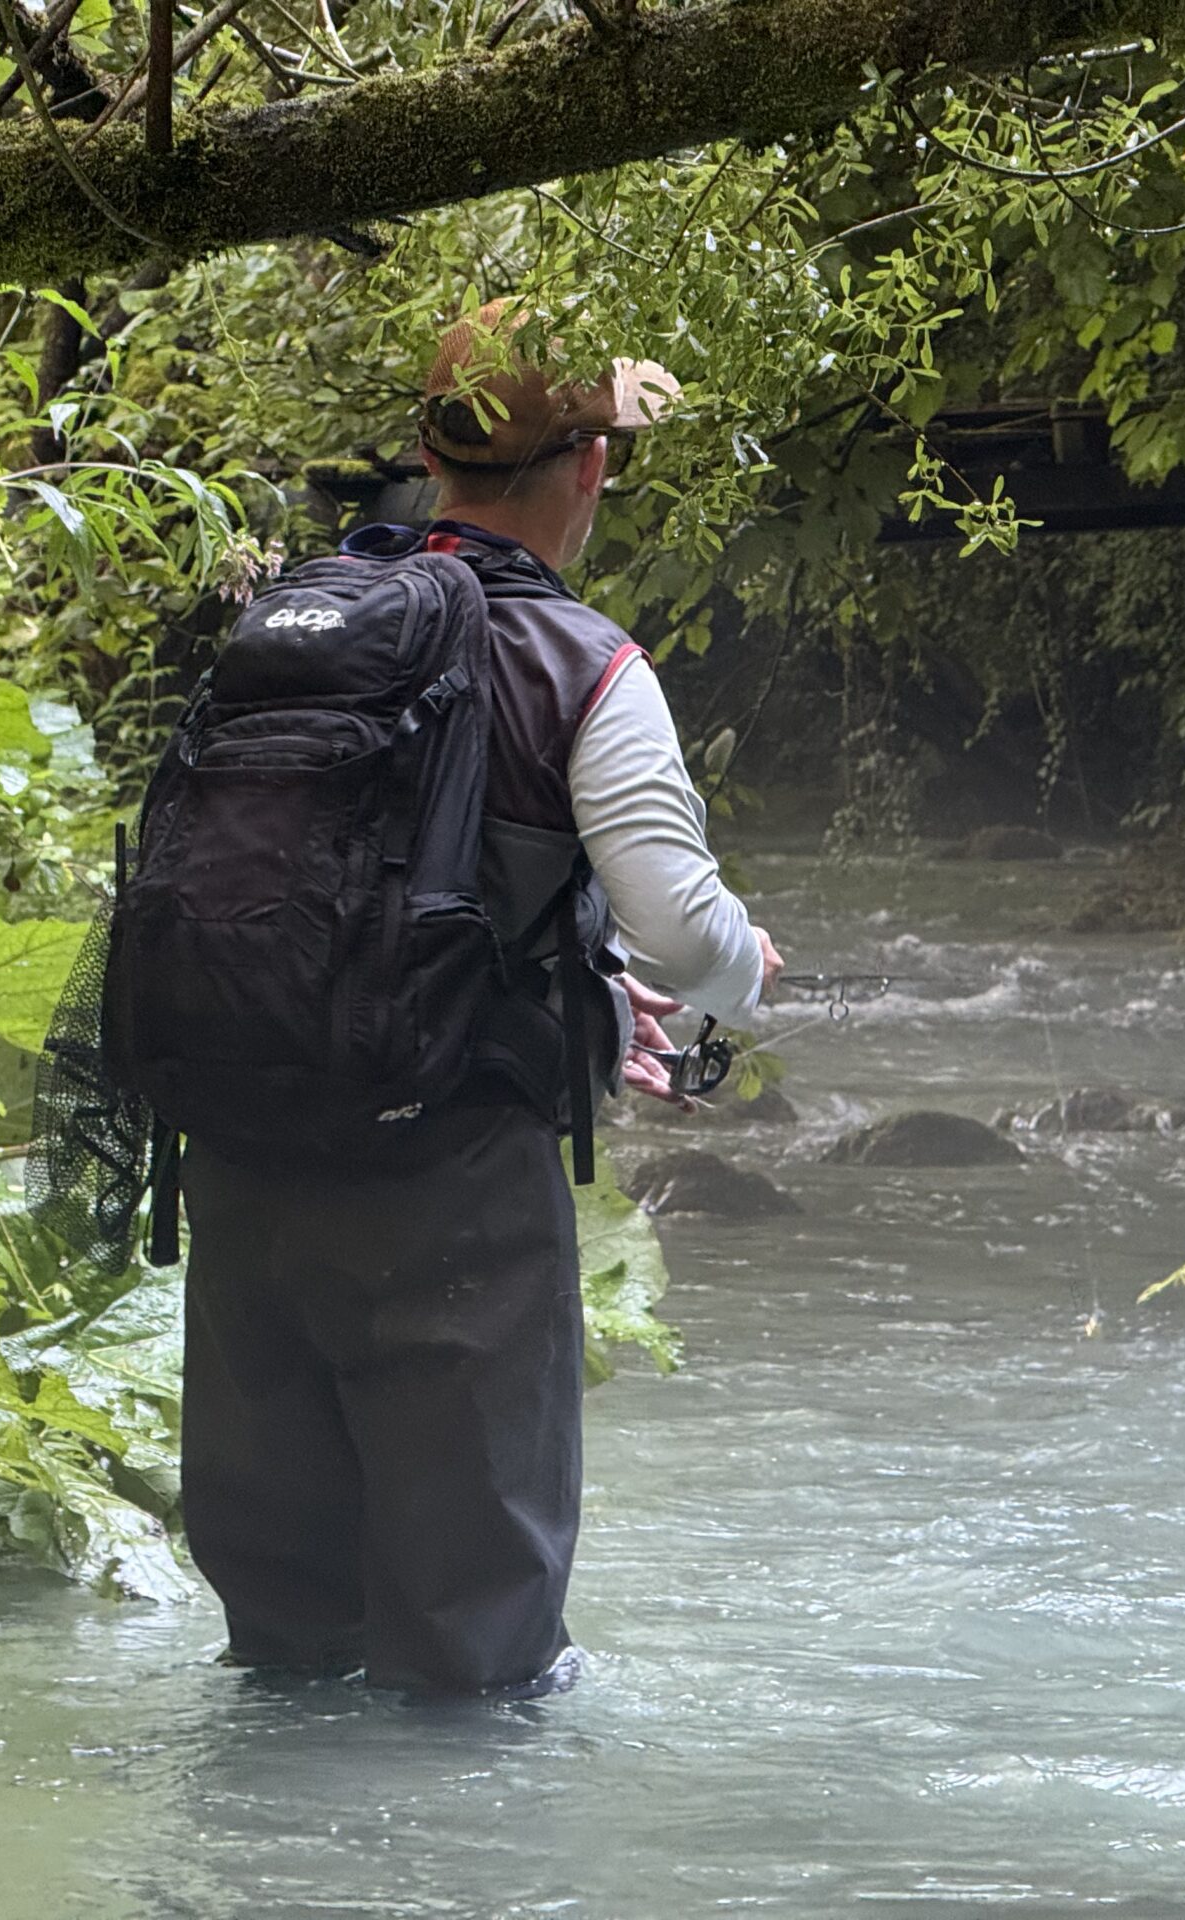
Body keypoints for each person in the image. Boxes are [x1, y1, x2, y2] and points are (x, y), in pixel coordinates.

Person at [177, 302, 781, 1698]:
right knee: (479, 1673)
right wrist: (748, 972)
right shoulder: (583, 664)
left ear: (432, 460)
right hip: (448, 1196)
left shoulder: (296, 625)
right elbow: (684, 933)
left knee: (285, 1657)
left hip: (246, 1176)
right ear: (593, 467)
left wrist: (576, 981)